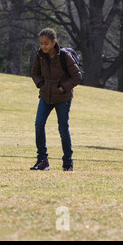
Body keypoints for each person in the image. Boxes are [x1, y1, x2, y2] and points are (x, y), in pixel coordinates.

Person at [30, 28, 82, 171]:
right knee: (39, 124)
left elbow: (77, 77)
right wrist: (42, 84)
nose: (43, 47)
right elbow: (34, 73)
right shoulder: (39, 55)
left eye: (46, 43)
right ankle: (42, 160)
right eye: (41, 43)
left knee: (63, 128)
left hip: (63, 97)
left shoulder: (64, 56)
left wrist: (62, 88)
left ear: (54, 42)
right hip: (46, 96)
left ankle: (67, 163)